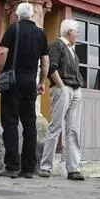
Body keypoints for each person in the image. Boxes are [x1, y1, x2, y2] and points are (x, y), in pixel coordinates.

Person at [0, 2, 49, 178]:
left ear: (18, 15)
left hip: (12, 82)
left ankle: (12, 166)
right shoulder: (41, 34)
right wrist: (41, 82)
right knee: (30, 125)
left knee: (10, 122)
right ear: (32, 15)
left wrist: (0, 72)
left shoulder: (13, 29)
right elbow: (45, 62)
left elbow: (2, 52)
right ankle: (28, 168)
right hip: (30, 83)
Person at [39, 18, 85, 181]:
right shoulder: (57, 44)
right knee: (56, 127)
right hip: (63, 89)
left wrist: (78, 89)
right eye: (76, 31)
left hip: (75, 90)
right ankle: (45, 167)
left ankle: (73, 169)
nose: (77, 34)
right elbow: (51, 67)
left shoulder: (72, 50)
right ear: (69, 32)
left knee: (73, 130)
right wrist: (62, 87)